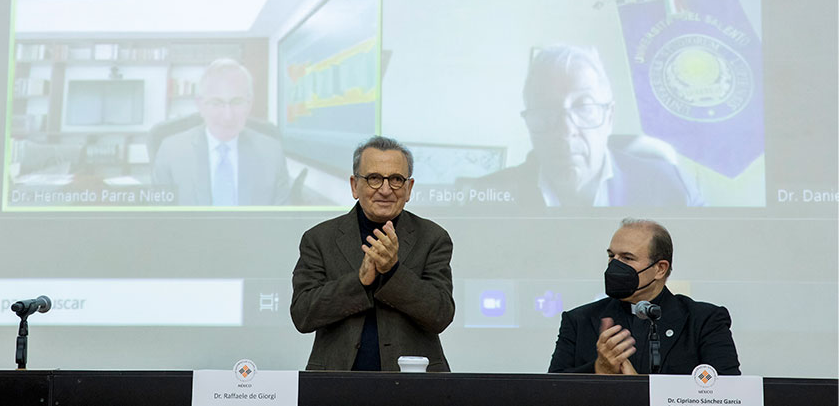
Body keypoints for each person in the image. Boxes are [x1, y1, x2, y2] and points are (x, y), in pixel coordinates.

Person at [462, 45, 704, 207]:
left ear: (609, 117)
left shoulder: (671, 189)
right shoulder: (485, 199)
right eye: (547, 111)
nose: (566, 130)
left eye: (583, 107)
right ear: (529, 120)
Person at [290, 136, 454, 371]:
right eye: (374, 178)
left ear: (409, 188)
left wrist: (393, 271)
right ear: (355, 186)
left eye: (396, 179)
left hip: (414, 385)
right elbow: (303, 315)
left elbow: (440, 314)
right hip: (336, 385)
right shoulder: (319, 238)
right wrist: (359, 281)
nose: (386, 190)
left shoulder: (432, 237)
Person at [549, 219, 741, 374]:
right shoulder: (578, 320)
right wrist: (599, 369)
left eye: (627, 258)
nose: (614, 266)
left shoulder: (704, 321)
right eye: (611, 256)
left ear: (660, 269)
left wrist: (638, 389)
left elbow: (728, 395)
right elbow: (551, 392)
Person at [151, 58, 290, 205]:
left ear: (249, 104)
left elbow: (283, 222)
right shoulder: (171, 151)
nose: (228, 116)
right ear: (200, 105)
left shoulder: (271, 152)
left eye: (237, 102)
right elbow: (160, 221)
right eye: (216, 103)